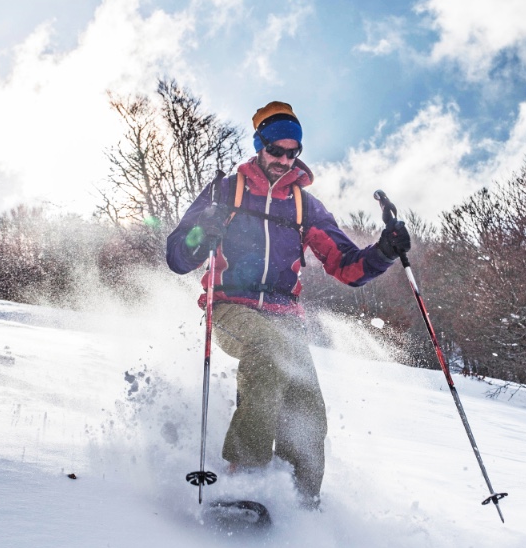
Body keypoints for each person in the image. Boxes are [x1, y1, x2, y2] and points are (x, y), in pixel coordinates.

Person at [166, 101, 411, 507]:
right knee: (267, 350)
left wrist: (384, 251)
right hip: (231, 308)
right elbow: (178, 256)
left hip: (285, 318)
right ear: (259, 146)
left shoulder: (304, 206)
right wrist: (201, 233)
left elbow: (346, 267)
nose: (283, 160)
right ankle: (244, 476)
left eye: (291, 153)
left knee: (307, 405)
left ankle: (298, 499)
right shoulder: (226, 192)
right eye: (275, 150)